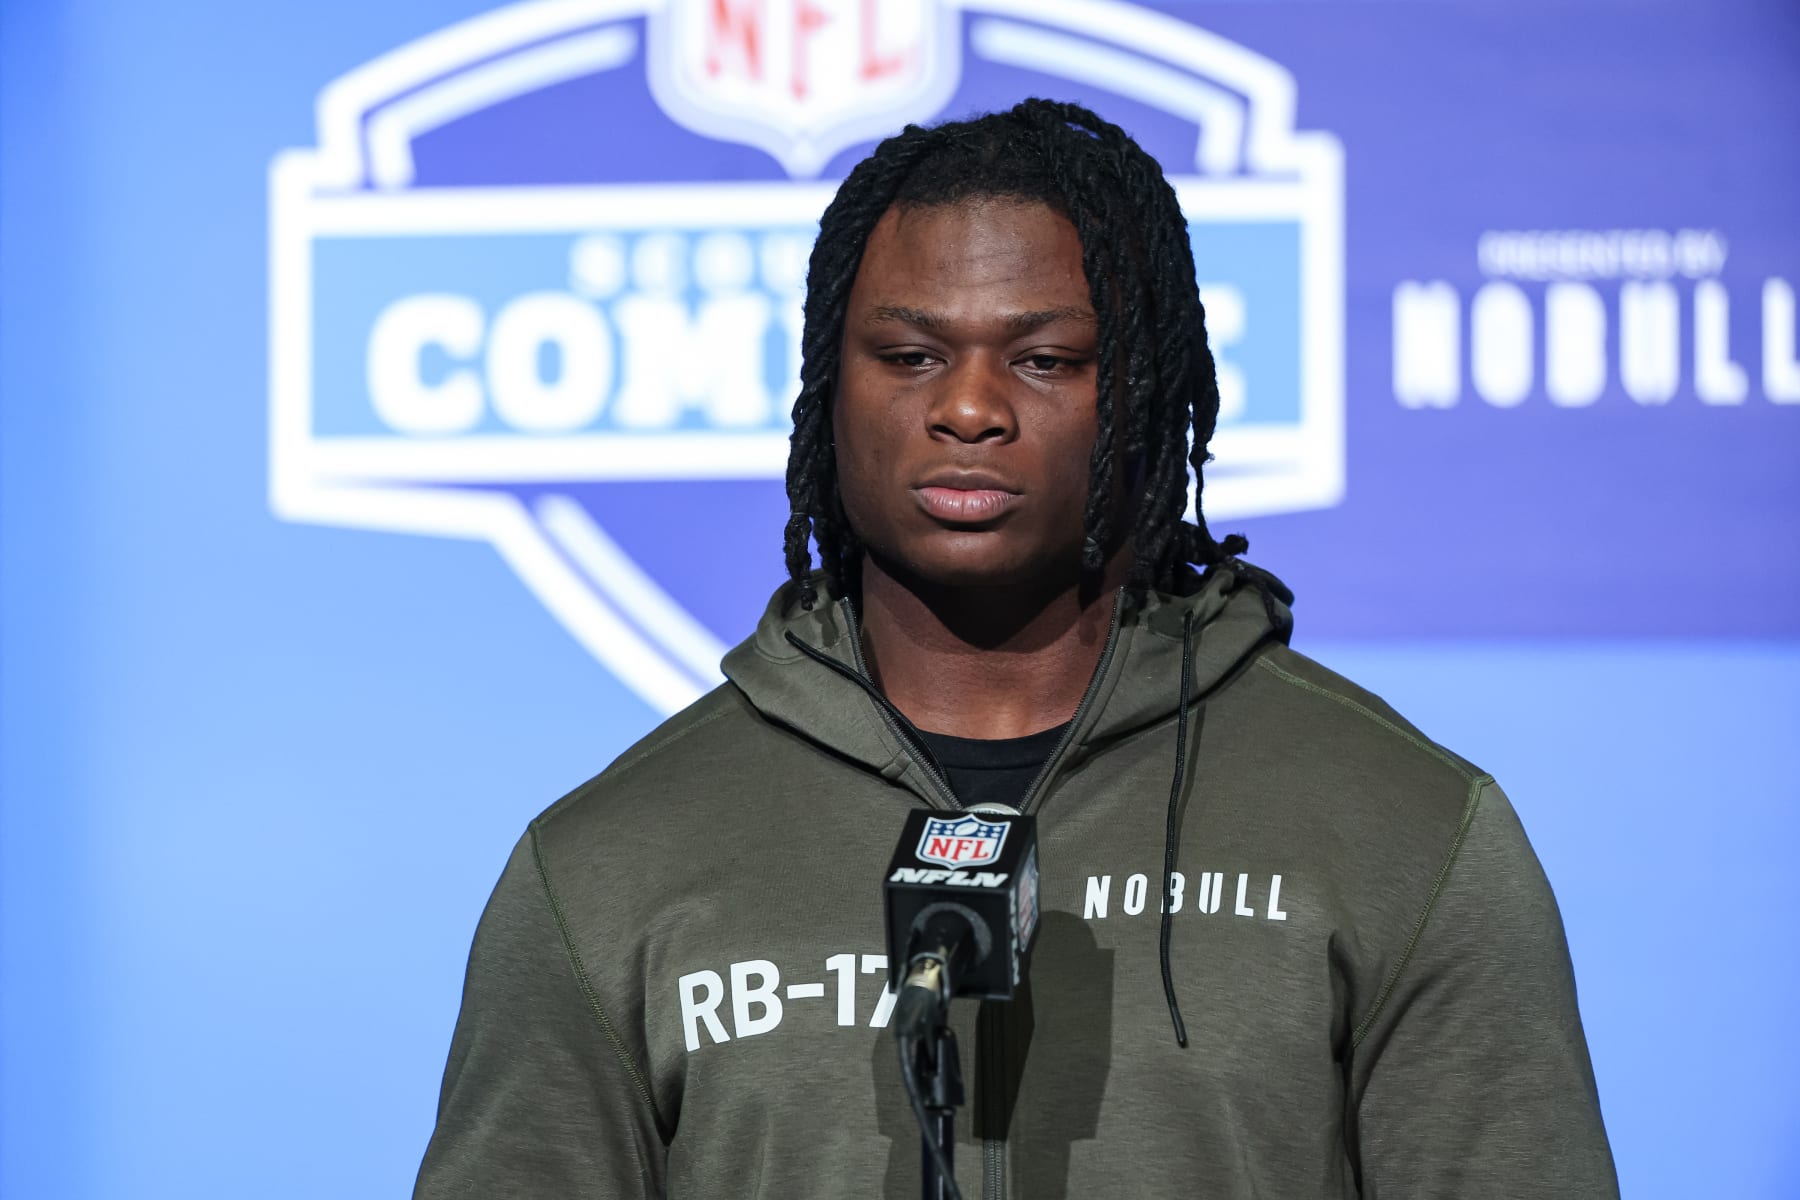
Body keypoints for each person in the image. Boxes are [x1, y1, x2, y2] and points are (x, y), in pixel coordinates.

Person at [414, 99, 1618, 1199]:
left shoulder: (1397, 829)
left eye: (1044, 359)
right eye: (911, 356)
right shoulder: (607, 868)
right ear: (827, 392)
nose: (971, 409)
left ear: (1144, 391)